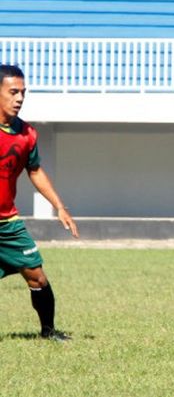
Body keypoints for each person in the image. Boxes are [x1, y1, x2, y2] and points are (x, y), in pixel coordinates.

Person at [0, 64, 79, 341]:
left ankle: (48, 333)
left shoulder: (27, 135)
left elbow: (34, 170)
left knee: (37, 277)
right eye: (13, 92)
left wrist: (59, 205)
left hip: (7, 224)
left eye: (23, 92)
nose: (19, 98)